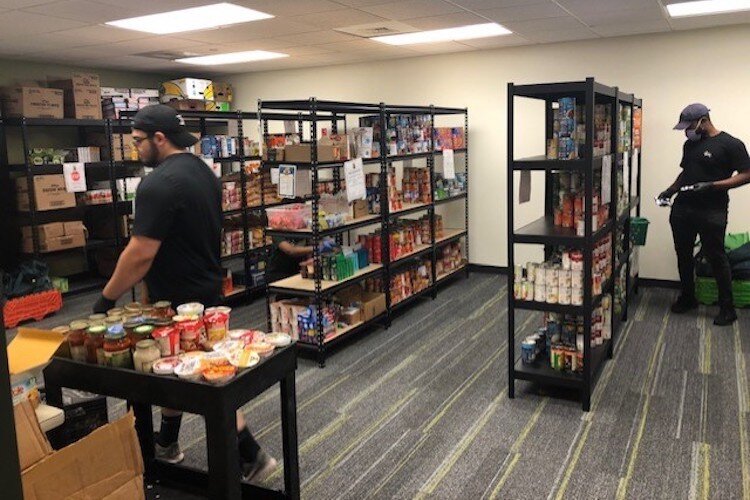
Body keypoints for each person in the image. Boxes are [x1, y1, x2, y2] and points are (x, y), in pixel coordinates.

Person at [92, 104, 276, 482]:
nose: (136, 149)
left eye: (140, 141)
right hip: (205, 287)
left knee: (203, 381)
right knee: (177, 373)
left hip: (178, 299)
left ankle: (251, 453)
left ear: (160, 139)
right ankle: (167, 442)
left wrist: (106, 299)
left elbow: (140, 253)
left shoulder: (158, 184)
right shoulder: (202, 172)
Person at [658, 103, 750, 326]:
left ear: (703, 120)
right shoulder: (690, 145)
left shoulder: (731, 144)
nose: (686, 131)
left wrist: (713, 186)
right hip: (683, 209)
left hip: (712, 211)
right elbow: (685, 173)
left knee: (716, 257)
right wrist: (670, 190)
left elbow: (747, 174)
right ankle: (688, 297)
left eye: (689, 125)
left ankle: (727, 308)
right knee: (683, 254)